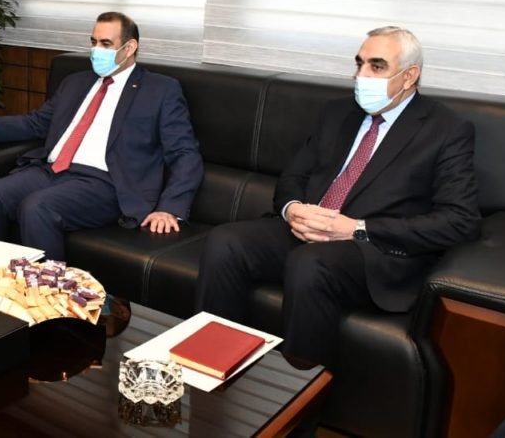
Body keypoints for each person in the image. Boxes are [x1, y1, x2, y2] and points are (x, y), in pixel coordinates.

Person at [195, 26, 480, 367]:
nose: (362, 75)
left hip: (371, 250)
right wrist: (293, 210)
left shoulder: (445, 130)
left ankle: (299, 393)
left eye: (377, 66)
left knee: (310, 263)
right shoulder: (338, 113)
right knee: (225, 241)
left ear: (409, 76)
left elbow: (460, 220)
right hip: (309, 229)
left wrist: (356, 228)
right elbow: (294, 176)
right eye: (359, 64)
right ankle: (212, 363)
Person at [0, 11, 204, 260]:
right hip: (51, 171)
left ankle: (49, 286)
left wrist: (170, 208)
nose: (96, 51)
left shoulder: (160, 90)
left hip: (105, 183)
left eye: (105, 44)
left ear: (130, 48)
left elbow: (184, 152)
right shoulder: (76, 82)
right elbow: (38, 123)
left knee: (38, 207)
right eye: (93, 42)